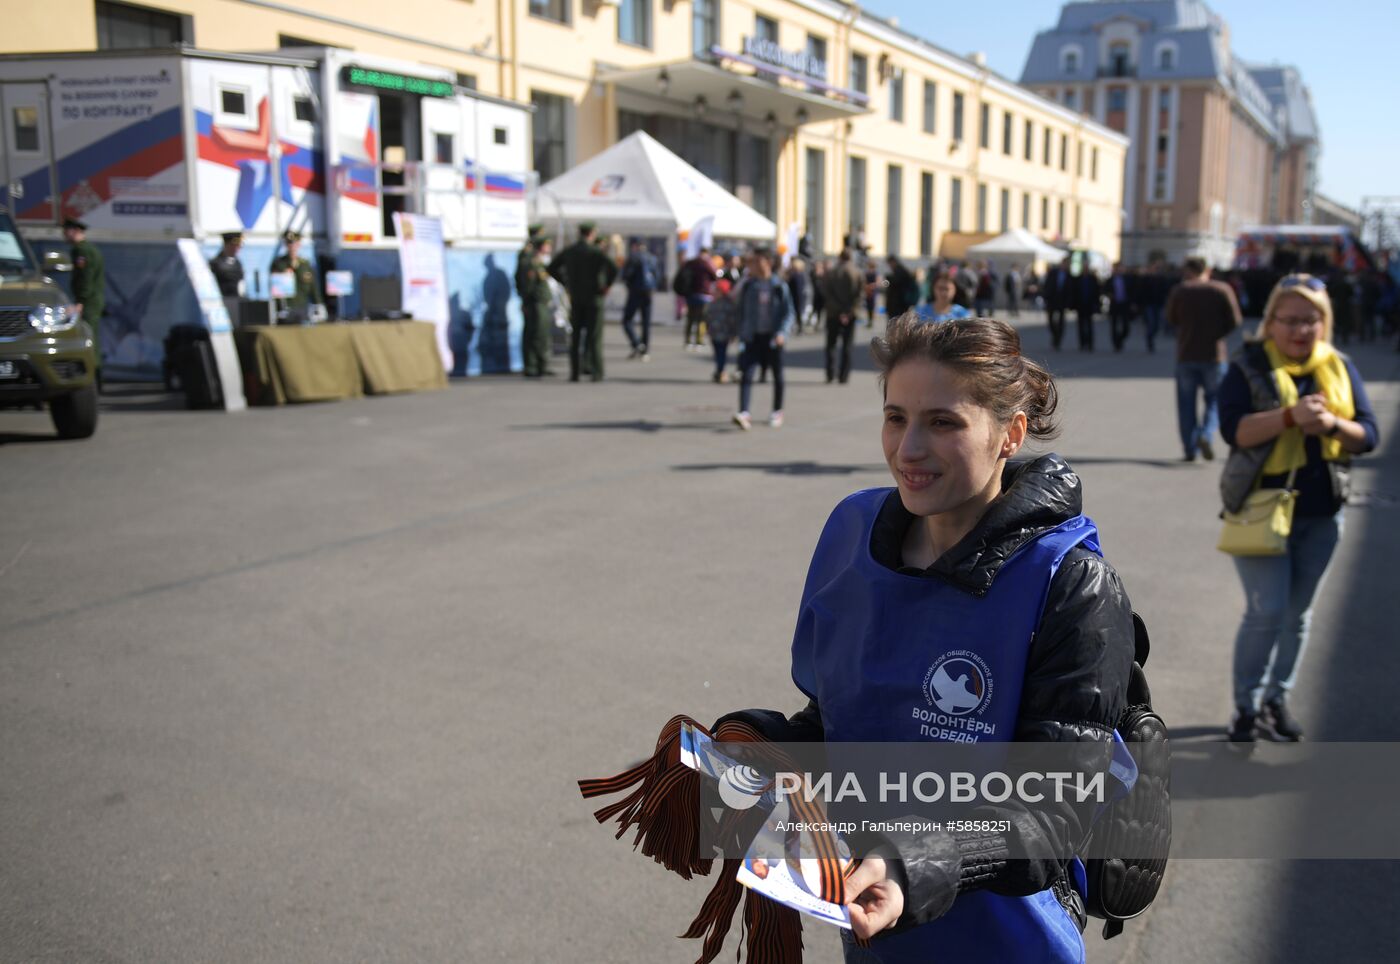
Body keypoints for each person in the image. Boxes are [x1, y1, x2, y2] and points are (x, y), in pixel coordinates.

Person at [719, 315, 1135, 961]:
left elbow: (1058, 809)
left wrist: (919, 859)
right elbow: (845, 722)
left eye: (943, 422)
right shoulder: (855, 537)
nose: (909, 448)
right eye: (895, 417)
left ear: (1010, 434)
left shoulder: (1070, 582)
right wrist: (757, 750)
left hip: (1005, 938)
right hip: (873, 917)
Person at [1217, 274, 1379, 750]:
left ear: (1324, 323)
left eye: (1310, 320)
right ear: (1271, 322)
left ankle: (1276, 700)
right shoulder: (1249, 365)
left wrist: (1330, 423)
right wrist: (1289, 417)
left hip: (1323, 513)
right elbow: (1234, 431)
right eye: (1289, 320)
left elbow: (1368, 435)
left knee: (1298, 616)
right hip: (1261, 510)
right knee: (1266, 612)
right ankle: (1246, 706)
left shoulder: (1340, 366)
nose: (1300, 330)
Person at [1166, 257, 1241, 461]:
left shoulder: (1180, 291)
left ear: (1189, 271)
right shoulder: (1221, 289)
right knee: (1215, 399)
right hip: (1214, 354)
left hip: (1186, 353)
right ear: (1206, 270)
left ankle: (1190, 449)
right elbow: (1235, 320)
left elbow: (1171, 318)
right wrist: (1218, 334)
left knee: (1186, 404)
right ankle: (1205, 434)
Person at [547, 222, 618, 382]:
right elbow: (613, 268)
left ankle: (575, 373)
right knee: (594, 336)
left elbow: (551, 268)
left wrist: (565, 282)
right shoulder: (595, 252)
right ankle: (596, 372)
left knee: (576, 336)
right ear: (592, 233)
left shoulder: (570, 251)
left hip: (576, 298)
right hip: (594, 298)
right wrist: (605, 286)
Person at [732, 248, 794, 430]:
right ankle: (744, 412)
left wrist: (782, 332)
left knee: (777, 375)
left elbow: (788, 312)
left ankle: (777, 410)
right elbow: (740, 309)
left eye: (757, 261)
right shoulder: (749, 285)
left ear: (768, 262)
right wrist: (738, 331)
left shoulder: (779, 285)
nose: (754, 265)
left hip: (773, 338)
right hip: (752, 337)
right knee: (747, 373)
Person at [64, 218, 105, 365]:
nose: (64, 234)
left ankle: (93, 374)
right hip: (93, 300)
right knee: (92, 337)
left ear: (75, 231)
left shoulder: (82, 251)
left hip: (88, 302)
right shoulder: (90, 249)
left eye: (67, 231)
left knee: (88, 338)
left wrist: (80, 302)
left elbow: (85, 278)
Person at [515, 227, 555, 377]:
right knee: (535, 335)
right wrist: (525, 302)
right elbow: (527, 286)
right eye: (547, 244)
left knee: (542, 335)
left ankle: (540, 365)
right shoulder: (530, 262)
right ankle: (532, 366)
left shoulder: (538, 262)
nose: (549, 247)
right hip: (535, 304)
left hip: (541, 303)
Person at [822, 248, 865, 384]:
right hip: (850, 314)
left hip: (833, 313)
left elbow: (826, 293)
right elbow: (859, 295)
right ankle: (843, 376)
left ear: (840, 257)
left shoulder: (831, 272)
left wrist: (839, 310)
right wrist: (848, 312)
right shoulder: (857, 272)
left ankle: (830, 373)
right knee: (847, 345)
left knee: (831, 344)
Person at [619, 237, 660, 360]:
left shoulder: (633, 257)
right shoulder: (652, 258)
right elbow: (657, 276)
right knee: (646, 322)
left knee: (627, 320)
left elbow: (626, 275)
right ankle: (644, 349)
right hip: (648, 292)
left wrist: (629, 285)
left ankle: (637, 344)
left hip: (635, 292)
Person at [271, 230, 322, 321]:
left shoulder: (305, 264)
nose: (292, 246)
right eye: (289, 243)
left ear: (299, 244)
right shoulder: (279, 264)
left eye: (295, 243)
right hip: (285, 308)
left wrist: (318, 304)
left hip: (302, 306)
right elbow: (275, 287)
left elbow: (313, 287)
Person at [679, 246, 718, 350]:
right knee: (701, 319)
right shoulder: (706, 264)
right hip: (703, 295)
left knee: (691, 319)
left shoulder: (691, 263)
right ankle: (698, 340)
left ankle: (688, 340)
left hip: (691, 294)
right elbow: (714, 276)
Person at [705, 276, 739, 383]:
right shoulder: (712, 304)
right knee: (717, 353)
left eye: (718, 291)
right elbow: (707, 317)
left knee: (722, 353)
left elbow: (732, 320)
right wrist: (707, 329)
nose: (716, 292)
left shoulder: (729, 305)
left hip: (724, 334)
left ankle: (721, 371)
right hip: (714, 333)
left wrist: (733, 333)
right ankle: (719, 370)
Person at [1139, 262, 1170, 354]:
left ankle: (1150, 336)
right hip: (1149, 304)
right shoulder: (1145, 279)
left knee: (1157, 325)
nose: (1156, 271)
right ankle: (1149, 339)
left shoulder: (1162, 279)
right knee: (1151, 323)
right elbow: (1141, 292)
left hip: (1159, 304)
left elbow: (1166, 291)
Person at [1042, 258, 1071, 350]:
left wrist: (1069, 303)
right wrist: (1045, 296)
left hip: (1062, 302)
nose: (1065, 265)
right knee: (1050, 321)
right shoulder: (1053, 273)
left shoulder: (1069, 275)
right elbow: (1047, 285)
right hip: (1052, 300)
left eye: (1066, 264)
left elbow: (1071, 290)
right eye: (1064, 263)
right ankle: (1055, 334)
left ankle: (1057, 340)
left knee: (1061, 322)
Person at [209, 231, 245, 298]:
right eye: (235, 245)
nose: (238, 248)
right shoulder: (215, 263)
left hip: (237, 301)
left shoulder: (237, 263)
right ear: (227, 245)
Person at [1106, 263, 1133, 351]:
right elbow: (1104, 290)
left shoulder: (1127, 279)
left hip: (1124, 305)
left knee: (1126, 327)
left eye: (1120, 268)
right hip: (1114, 305)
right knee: (1114, 325)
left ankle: (1120, 338)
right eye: (1116, 269)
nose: (1118, 270)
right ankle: (1116, 344)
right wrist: (1109, 294)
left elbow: (1132, 290)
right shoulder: (1110, 280)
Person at [884, 255, 918, 321]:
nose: (889, 266)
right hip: (899, 304)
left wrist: (888, 278)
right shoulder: (899, 270)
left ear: (893, 262)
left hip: (899, 305)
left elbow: (896, 283)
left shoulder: (900, 271)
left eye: (889, 264)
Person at [1074, 268, 1101, 351]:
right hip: (1080, 305)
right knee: (1081, 325)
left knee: (1089, 324)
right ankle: (1082, 343)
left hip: (1089, 305)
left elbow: (1096, 291)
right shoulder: (1078, 279)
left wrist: (1097, 304)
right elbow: (1074, 291)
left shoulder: (1092, 279)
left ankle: (1090, 343)